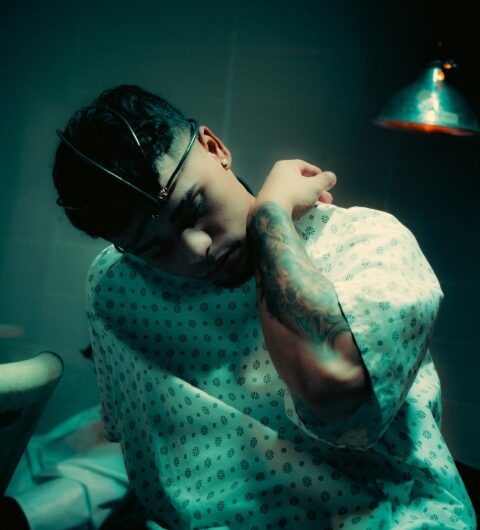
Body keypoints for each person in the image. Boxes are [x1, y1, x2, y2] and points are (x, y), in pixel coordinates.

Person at [52, 85, 475, 529]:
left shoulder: (367, 241)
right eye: (155, 248)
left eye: (193, 207)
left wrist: (270, 214)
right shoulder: (117, 287)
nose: (197, 249)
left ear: (214, 148)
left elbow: (335, 391)